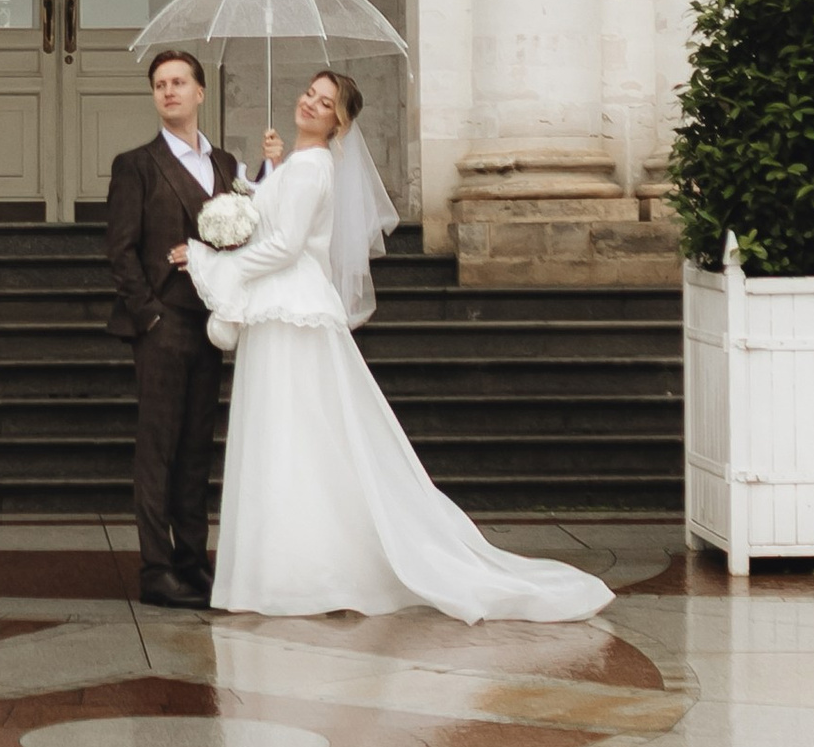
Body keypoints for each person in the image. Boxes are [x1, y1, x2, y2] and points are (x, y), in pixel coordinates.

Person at [180, 66, 614, 626]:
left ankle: (295, 572)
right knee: (294, 431)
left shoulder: (313, 168)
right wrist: (269, 173)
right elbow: (277, 221)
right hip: (282, 308)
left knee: (290, 430)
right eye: (309, 93)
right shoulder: (302, 165)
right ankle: (290, 566)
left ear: (341, 121)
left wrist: (215, 261)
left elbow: (287, 246)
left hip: (290, 310)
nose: (310, 103)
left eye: (324, 102)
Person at [106, 45, 239, 608]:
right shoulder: (136, 164)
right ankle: (156, 569)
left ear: (200, 92)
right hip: (163, 323)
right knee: (157, 450)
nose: (168, 91)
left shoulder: (228, 167)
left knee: (195, 450)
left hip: (210, 324)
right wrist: (149, 314)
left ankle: (193, 560)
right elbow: (121, 250)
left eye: (179, 82)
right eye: (160, 84)